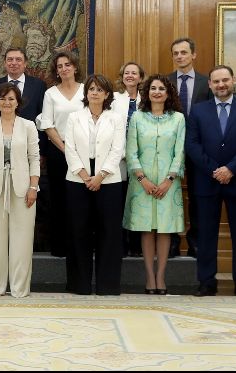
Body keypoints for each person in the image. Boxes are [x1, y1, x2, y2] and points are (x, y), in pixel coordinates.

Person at [186, 65, 236, 299]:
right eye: (216, 81)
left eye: (225, 80)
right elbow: (192, 145)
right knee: (206, 234)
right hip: (206, 181)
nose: (221, 85)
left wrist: (230, 169)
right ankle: (207, 282)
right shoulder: (198, 111)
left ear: (234, 81)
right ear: (209, 84)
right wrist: (215, 170)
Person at [63, 74, 126, 295]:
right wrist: (84, 174)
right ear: (86, 93)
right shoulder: (74, 117)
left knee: (108, 233)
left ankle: (107, 285)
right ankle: (79, 285)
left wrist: (100, 176)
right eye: (91, 89)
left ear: (107, 94)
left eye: (100, 89)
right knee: (78, 232)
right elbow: (69, 148)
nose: (95, 93)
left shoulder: (115, 118)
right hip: (77, 180)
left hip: (108, 181)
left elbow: (117, 149)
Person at [123, 75, 185, 295]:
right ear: (146, 93)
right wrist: (143, 179)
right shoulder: (138, 118)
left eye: (161, 89)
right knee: (147, 230)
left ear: (168, 94)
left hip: (169, 184)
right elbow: (131, 151)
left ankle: (161, 276)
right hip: (142, 184)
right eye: (152, 88)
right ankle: (150, 277)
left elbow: (180, 152)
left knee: (165, 230)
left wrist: (169, 180)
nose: (157, 92)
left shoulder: (178, 119)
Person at [0, 83, 40, 297]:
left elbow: (34, 159)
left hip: (23, 188)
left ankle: (19, 287)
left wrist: (34, 187)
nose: (7, 102)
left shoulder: (28, 126)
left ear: (18, 102)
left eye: (11, 99)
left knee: (22, 240)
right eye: (3, 99)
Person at [168, 37, 212, 258]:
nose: (179, 57)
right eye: (176, 53)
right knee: (171, 197)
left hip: (199, 149)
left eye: (183, 52)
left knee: (197, 196)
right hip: (170, 149)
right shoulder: (165, 82)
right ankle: (172, 244)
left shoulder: (207, 83)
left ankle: (195, 244)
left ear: (193, 55)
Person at [39, 51, 84, 258]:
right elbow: (47, 124)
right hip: (59, 152)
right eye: (60, 66)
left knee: (80, 200)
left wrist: (75, 152)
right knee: (58, 199)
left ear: (75, 67)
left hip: (84, 151)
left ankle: (79, 246)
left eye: (68, 64)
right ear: (56, 71)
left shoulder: (86, 91)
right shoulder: (51, 94)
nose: (64, 69)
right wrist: (66, 150)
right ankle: (59, 247)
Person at [110, 61, 145, 257]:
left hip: (142, 160)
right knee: (121, 202)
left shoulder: (147, 100)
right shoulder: (114, 99)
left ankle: (137, 246)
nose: (130, 76)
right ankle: (121, 245)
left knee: (139, 202)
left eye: (134, 73)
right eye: (126, 73)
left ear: (140, 77)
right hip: (120, 159)